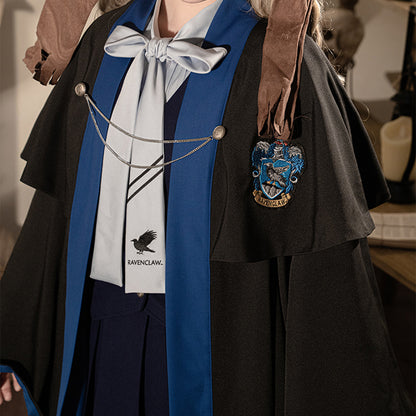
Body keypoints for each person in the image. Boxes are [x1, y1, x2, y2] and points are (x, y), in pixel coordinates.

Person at [1, 0, 414, 415]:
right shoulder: (105, 39)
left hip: (219, 355)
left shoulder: (284, 67)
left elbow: (323, 258)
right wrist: (12, 339)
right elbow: (57, 207)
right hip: (102, 340)